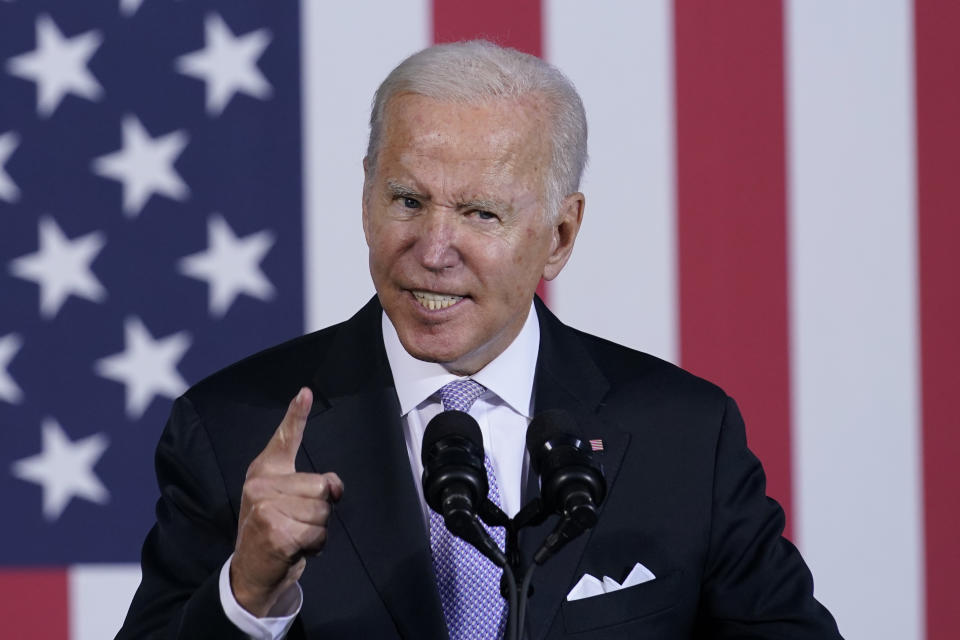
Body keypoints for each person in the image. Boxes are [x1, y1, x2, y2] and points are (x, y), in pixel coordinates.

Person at [117, 40, 842, 639]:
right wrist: (247, 596)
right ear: (366, 197)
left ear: (559, 235)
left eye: (481, 214)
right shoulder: (232, 428)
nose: (434, 250)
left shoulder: (683, 435)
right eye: (407, 201)